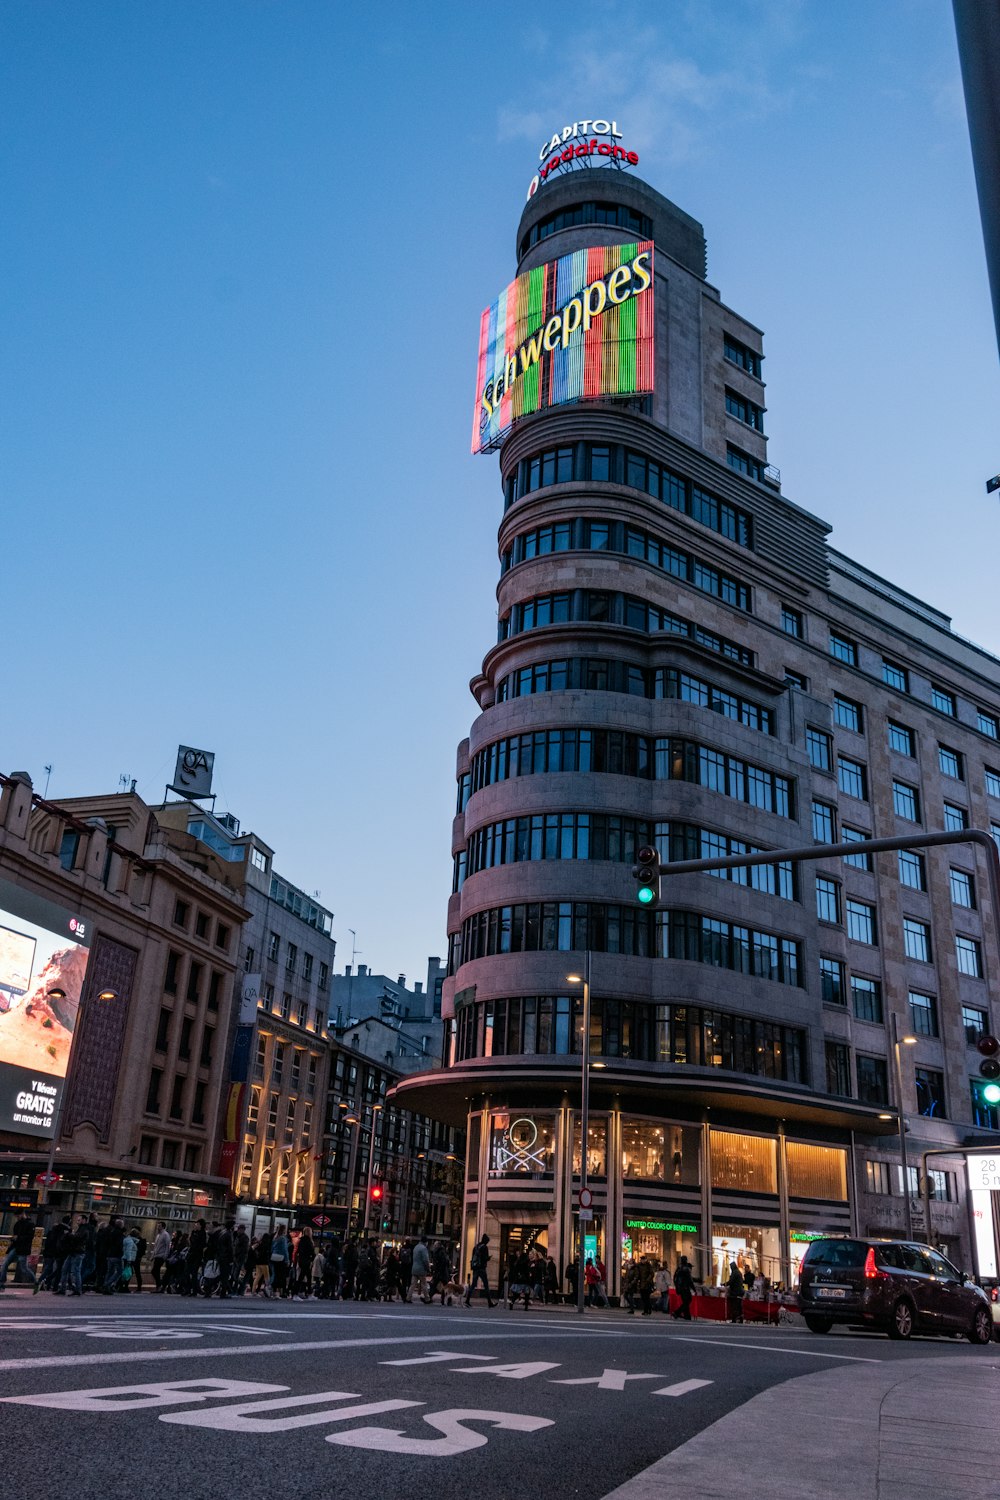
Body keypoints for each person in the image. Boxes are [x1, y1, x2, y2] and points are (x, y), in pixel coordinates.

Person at [0, 1212, 37, 1289]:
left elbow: (30, 1237)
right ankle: (1, 1282)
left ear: (23, 1214)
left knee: (24, 1268)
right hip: (16, 1247)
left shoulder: (30, 1224)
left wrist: (18, 1238)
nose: (17, 1218)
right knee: (5, 1264)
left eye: (18, 1216)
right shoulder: (18, 1224)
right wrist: (14, 1238)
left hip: (23, 1249)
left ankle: (36, 1282)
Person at [464, 1233, 496, 1308]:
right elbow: (484, 1258)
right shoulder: (484, 1247)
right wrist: (488, 1258)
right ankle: (489, 1302)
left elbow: (473, 1256)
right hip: (481, 1268)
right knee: (486, 1285)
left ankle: (467, 1300)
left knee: (473, 1285)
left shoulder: (476, 1246)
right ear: (486, 1241)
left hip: (475, 1268)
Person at [293, 1227, 316, 1300]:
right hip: (306, 1261)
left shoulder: (301, 1240)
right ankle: (296, 1294)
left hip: (302, 1260)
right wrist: (312, 1258)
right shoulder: (308, 1241)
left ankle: (309, 1293)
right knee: (302, 1277)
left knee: (306, 1277)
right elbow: (311, 1251)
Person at [270, 1224, 291, 1298]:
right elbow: (285, 1250)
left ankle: (274, 1291)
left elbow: (272, 1248)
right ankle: (278, 1293)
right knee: (280, 1276)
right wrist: (287, 1260)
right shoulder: (283, 1238)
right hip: (281, 1258)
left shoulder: (275, 1237)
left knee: (275, 1274)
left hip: (274, 1256)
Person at [408, 1235, 431, 1303]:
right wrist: (428, 1268)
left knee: (413, 1284)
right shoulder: (424, 1249)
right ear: (425, 1242)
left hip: (414, 1268)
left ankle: (408, 1297)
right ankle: (427, 1299)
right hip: (421, 1269)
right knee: (424, 1284)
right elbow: (425, 1260)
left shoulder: (416, 1247)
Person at [672, 1256, 695, 1321]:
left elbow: (675, 1278)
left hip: (680, 1288)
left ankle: (687, 1316)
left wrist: (677, 1287)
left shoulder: (679, 1268)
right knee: (688, 1300)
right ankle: (677, 1312)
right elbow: (689, 1280)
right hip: (685, 1288)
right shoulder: (686, 1269)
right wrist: (694, 1289)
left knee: (685, 1302)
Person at [151, 1222, 171, 1292]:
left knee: (155, 1270)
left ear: (163, 1227)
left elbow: (167, 1246)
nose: (157, 1227)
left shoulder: (165, 1235)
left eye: (159, 1226)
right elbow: (156, 1247)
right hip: (157, 1255)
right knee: (155, 1271)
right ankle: (159, 1285)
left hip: (161, 1255)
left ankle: (159, 1284)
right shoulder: (158, 1235)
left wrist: (165, 1255)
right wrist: (153, 1256)